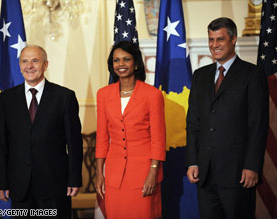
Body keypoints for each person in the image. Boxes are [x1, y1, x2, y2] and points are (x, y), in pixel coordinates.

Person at [186, 17, 269, 219]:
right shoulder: (200, 76)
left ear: (233, 40)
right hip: (205, 174)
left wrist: (252, 166)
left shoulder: (252, 74)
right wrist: (193, 161)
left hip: (238, 173)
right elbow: (193, 123)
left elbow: (258, 125)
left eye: (220, 39)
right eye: (211, 39)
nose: (214, 45)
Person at [0, 45, 83, 218]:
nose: (29, 66)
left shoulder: (64, 97)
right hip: (19, 186)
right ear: (19, 65)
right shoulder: (6, 99)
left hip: (55, 185)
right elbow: (0, 144)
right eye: (24, 61)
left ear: (45, 65)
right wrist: (1, 182)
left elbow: (74, 143)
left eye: (35, 61)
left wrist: (74, 179)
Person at [95, 41, 166, 218]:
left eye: (126, 59)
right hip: (113, 175)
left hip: (143, 173)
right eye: (116, 60)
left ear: (135, 64)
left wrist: (153, 172)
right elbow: (102, 138)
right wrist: (99, 174)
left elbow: (158, 138)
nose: (121, 64)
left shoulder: (152, 95)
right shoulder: (103, 94)